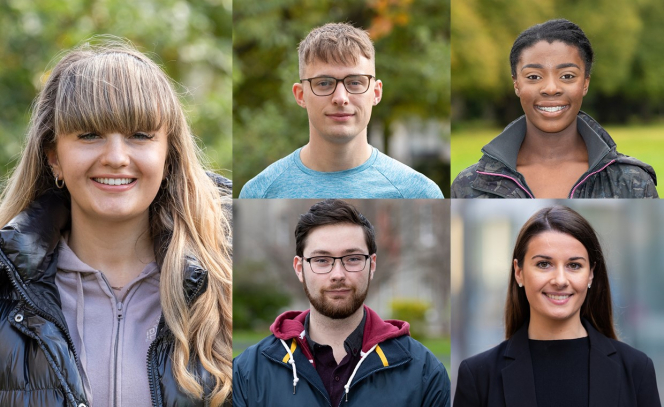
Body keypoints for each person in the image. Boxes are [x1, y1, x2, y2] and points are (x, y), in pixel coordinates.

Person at [0, 39, 232, 406]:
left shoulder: (226, 279)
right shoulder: (6, 290)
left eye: (139, 136)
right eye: (90, 135)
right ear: (54, 157)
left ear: (168, 155)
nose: (116, 157)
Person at [233, 199, 450, 406]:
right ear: (300, 269)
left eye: (353, 259)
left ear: (372, 265)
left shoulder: (424, 372)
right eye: (321, 260)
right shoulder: (247, 372)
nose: (338, 274)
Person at [454, 206, 661, 406]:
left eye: (574, 265)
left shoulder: (636, 369)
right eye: (544, 264)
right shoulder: (478, 376)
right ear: (519, 272)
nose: (560, 280)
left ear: (591, 274)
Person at [451, 19, 657, 198]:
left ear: (585, 83)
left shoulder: (633, 182)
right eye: (534, 77)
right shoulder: (469, 185)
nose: (551, 89)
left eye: (567, 76)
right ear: (516, 84)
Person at [239, 23, 444, 199]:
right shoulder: (260, 192)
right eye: (324, 83)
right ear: (300, 95)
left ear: (376, 92)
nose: (340, 98)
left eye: (355, 82)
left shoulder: (419, 193)